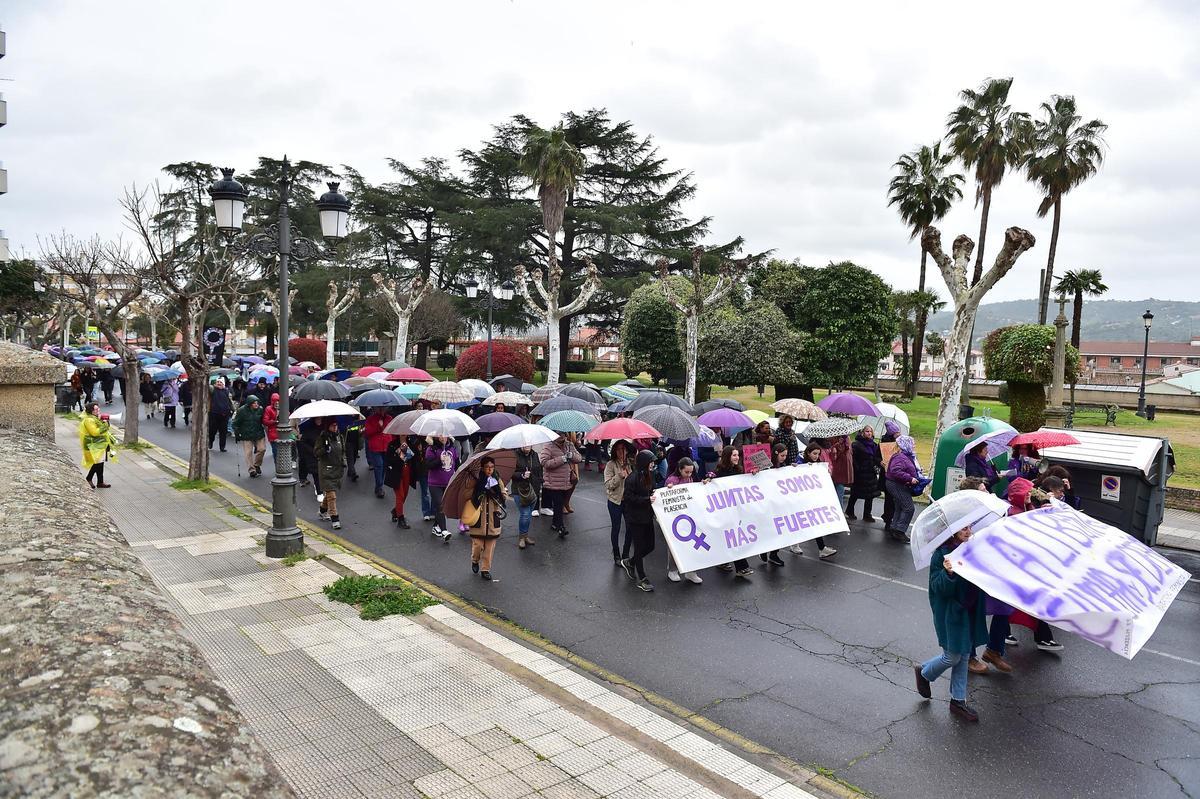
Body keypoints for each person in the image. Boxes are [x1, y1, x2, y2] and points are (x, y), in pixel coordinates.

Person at [913, 522, 988, 722]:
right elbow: (938, 587)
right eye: (963, 528)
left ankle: (958, 701)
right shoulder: (942, 554)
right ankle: (925, 673)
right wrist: (948, 573)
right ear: (953, 530)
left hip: (968, 610)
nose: (968, 531)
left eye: (969, 527)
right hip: (951, 613)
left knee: (963, 655)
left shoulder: (970, 549)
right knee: (953, 656)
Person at [708, 446, 754, 577]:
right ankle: (741, 567)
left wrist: (753, 474)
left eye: (737, 455)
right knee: (733, 537)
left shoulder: (738, 469)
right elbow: (710, 484)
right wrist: (708, 479)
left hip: (736, 509)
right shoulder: (719, 471)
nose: (737, 457)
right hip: (725, 511)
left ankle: (722, 561)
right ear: (727, 456)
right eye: (734, 455)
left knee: (729, 537)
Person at [790, 442, 838, 559]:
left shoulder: (817, 465)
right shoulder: (800, 463)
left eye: (818, 454)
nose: (816, 456)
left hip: (812, 499)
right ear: (808, 453)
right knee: (801, 522)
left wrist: (826, 473)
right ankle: (795, 544)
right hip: (801, 499)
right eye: (814, 454)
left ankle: (822, 548)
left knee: (815, 522)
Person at [619, 449, 658, 592]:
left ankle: (630, 562)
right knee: (640, 546)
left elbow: (654, 490)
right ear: (644, 463)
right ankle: (642, 578)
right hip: (635, 519)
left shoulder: (650, 475)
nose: (653, 464)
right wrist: (646, 500)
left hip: (647, 517)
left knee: (651, 546)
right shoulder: (632, 478)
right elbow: (628, 498)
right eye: (651, 462)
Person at [465, 455, 509, 581]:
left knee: (490, 547)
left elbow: (504, 495)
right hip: (479, 516)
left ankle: (485, 569)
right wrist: (481, 490)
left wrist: (496, 492)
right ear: (482, 468)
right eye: (487, 467)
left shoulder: (497, 479)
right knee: (478, 544)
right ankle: (475, 560)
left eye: (492, 467)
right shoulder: (476, 480)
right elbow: (468, 495)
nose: (489, 470)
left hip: (493, 517)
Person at [664, 458, 703, 584]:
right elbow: (665, 499)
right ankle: (673, 570)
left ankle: (691, 571)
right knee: (675, 544)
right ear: (680, 469)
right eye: (686, 472)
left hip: (688, 516)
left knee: (691, 543)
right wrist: (668, 489)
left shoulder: (690, 478)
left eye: (691, 472)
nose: (689, 474)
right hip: (675, 518)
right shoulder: (672, 480)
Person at [540, 434, 582, 538]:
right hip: (552, 483)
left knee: (559, 504)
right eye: (559, 434)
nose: (561, 436)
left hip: (566, 482)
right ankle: (561, 527)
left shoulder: (569, 445)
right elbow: (544, 462)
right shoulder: (548, 446)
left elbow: (579, 458)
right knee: (558, 504)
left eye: (563, 434)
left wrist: (571, 455)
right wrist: (562, 459)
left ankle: (555, 524)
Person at [883, 435, 921, 543]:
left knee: (900, 507)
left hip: (898, 484)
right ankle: (900, 531)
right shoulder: (901, 457)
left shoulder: (906, 456)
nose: (914, 446)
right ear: (906, 445)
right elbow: (895, 471)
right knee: (909, 508)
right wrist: (910, 478)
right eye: (912, 443)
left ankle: (894, 528)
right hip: (896, 484)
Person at [604, 440, 632, 564]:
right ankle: (616, 554)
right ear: (615, 451)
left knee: (630, 528)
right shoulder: (611, 465)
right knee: (616, 527)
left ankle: (625, 554)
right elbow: (608, 485)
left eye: (624, 449)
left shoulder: (630, 463)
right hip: (615, 501)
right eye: (619, 449)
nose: (622, 452)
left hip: (628, 501)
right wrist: (619, 476)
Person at [314, 419, 346, 530]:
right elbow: (316, 453)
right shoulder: (322, 438)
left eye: (336, 425)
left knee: (329, 494)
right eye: (332, 425)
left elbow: (343, 452)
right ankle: (335, 519)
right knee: (332, 496)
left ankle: (322, 510)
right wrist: (324, 450)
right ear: (328, 426)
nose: (335, 428)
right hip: (326, 470)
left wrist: (344, 463)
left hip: (336, 469)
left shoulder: (339, 437)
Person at [426, 435, 458, 541]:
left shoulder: (452, 448)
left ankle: (436, 526)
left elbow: (457, 464)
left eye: (444, 435)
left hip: (448, 482)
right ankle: (444, 530)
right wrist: (440, 460)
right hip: (435, 483)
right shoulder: (431, 449)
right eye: (440, 435)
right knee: (440, 505)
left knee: (443, 506)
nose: (442, 437)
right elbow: (428, 465)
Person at [846, 427, 882, 522]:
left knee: (870, 495)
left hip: (871, 473)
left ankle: (867, 514)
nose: (869, 433)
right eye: (867, 431)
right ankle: (850, 511)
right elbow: (853, 459)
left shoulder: (874, 445)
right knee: (855, 494)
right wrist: (858, 469)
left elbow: (876, 458)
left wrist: (878, 463)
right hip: (860, 474)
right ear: (862, 433)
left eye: (870, 431)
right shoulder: (856, 445)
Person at [79, 402, 117, 488]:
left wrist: (104, 422)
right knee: (97, 462)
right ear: (91, 411)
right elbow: (95, 432)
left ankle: (100, 482)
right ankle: (89, 478)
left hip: (99, 443)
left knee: (101, 462)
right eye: (96, 409)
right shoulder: (89, 420)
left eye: (98, 408)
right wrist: (105, 424)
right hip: (93, 444)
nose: (98, 410)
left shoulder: (95, 418)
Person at [513, 445, 541, 549]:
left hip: (533, 489)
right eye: (524, 444)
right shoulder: (514, 456)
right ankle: (521, 537)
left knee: (529, 514)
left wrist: (540, 481)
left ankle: (525, 536)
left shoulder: (535, 455)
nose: (527, 446)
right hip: (520, 490)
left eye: (529, 444)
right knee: (525, 514)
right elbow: (512, 473)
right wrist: (522, 475)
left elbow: (539, 469)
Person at [232, 396, 267, 477]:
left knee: (262, 449)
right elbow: (235, 423)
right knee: (248, 453)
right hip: (246, 434)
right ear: (250, 404)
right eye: (254, 403)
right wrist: (237, 433)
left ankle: (257, 464)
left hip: (258, 433)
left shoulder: (260, 409)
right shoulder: (242, 411)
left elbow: (263, 420)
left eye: (257, 403)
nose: (256, 404)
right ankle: (252, 470)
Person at [383, 435, 413, 529]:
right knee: (400, 495)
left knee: (405, 494)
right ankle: (401, 519)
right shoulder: (392, 445)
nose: (404, 434)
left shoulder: (410, 442)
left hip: (407, 472)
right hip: (396, 473)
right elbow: (388, 460)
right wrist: (400, 454)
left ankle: (395, 511)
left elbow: (413, 457)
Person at [363, 408, 392, 498]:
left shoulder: (389, 418)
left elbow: (391, 431)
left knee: (384, 467)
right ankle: (379, 487)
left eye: (383, 408)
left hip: (386, 446)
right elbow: (367, 433)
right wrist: (378, 427)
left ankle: (379, 486)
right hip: (375, 446)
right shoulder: (370, 419)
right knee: (379, 466)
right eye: (379, 409)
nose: (382, 410)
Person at [410, 437, 433, 522]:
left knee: (433, 492)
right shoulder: (417, 442)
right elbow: (412, 456)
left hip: (432, 470)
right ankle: (426, 512)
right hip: (422, 470)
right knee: (425, 492)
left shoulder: (433, 442)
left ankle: (433, 511)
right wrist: (419, 452)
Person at [208, 378, 234, 452]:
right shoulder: (213, 390)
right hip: (214, 413)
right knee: (212, 430)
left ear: (223, 384)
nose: (219, 383)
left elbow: (230, 401)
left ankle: (222, 447)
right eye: (218, 382)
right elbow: (208, 387)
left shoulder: (226, 391)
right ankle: (210, 442)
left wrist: (233, 410)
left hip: (224, 414)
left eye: (221, 382)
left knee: (223, 432)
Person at [262, 393, 281, 462]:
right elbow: (265, 421)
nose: (277, 403)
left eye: (278, 401)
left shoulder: (283, 408)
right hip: (273, 433)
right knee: (276, 452)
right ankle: (278, 467)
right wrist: (275, 421)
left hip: (282, 433)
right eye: (275, 401)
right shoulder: (268, 409)